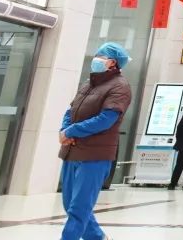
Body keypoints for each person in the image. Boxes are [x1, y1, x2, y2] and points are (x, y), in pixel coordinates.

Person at [59, 43, 133, 240]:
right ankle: (98, 237)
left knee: (79, 208)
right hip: (73, 150)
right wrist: (65, 130)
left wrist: (72, 130)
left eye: (101, 56)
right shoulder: (89, 83)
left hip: (95, 155)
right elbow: (71, 110)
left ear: (113, 62)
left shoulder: (120, 87)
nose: (96, 59)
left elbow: (106, 120)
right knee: (70, 204)